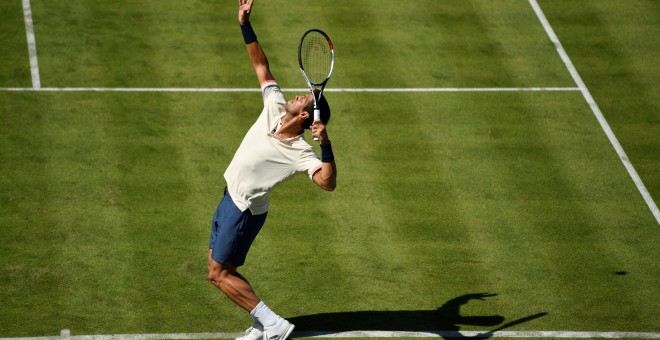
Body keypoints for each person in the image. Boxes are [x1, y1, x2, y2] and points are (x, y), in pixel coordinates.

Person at [207, 1, 337, 340]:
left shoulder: (301, 152)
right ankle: (263, 325)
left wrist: (326, 145)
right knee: (223, 268)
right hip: (231, 197)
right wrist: (245, 24)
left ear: (307, 116)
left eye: (305, 99)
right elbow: (261, 66)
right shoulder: (274, 104)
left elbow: (327, 183)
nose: (297, 95)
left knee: (217, 273)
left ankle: (274, 324)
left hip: (244, 209)